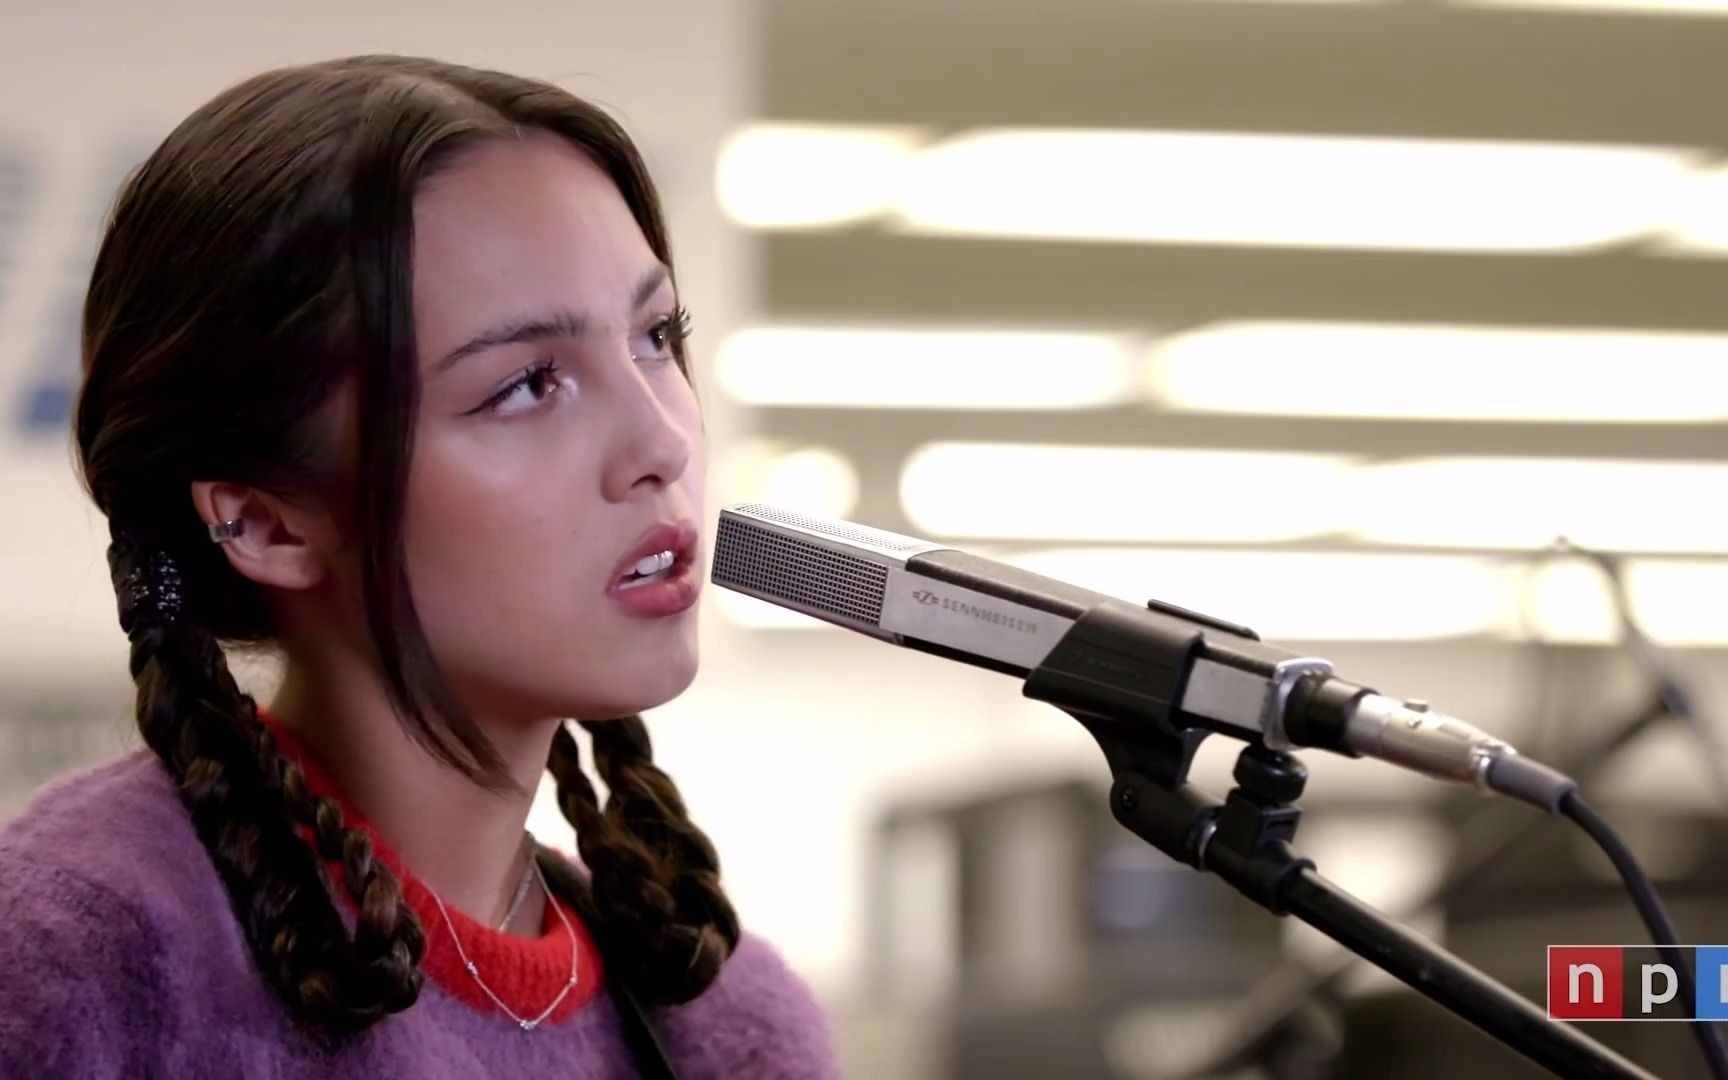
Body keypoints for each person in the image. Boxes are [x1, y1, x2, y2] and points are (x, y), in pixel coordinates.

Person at [0, 54, 837, 1079]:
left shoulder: (730, 1028)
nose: (663, 438)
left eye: (657, 335)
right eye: (530, 384)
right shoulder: (79, 961)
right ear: (264, 524)